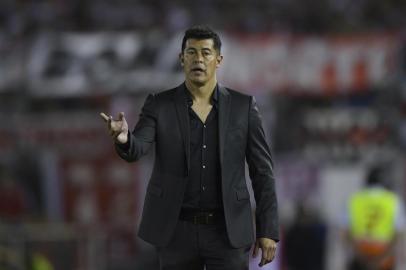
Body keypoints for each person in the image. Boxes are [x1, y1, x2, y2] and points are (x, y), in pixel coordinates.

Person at [100, 25, 279, 270]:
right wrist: (124, 138)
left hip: (227, 231)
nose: (198, 59)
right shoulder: (159, 105)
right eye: (191, 52)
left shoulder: (243, 107)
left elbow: (262, 172)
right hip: (176, 230)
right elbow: (138, 146)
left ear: (219, 60)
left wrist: (268, 229)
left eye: (206, 53)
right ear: (181, 59)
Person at [343, 167, 405, 270]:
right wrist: (381, 258)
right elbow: (399, 235)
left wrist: (360, 256)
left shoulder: (354, 200)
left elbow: (344, 233)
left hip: (360, 253)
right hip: (384, 255)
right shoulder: (393, 201)